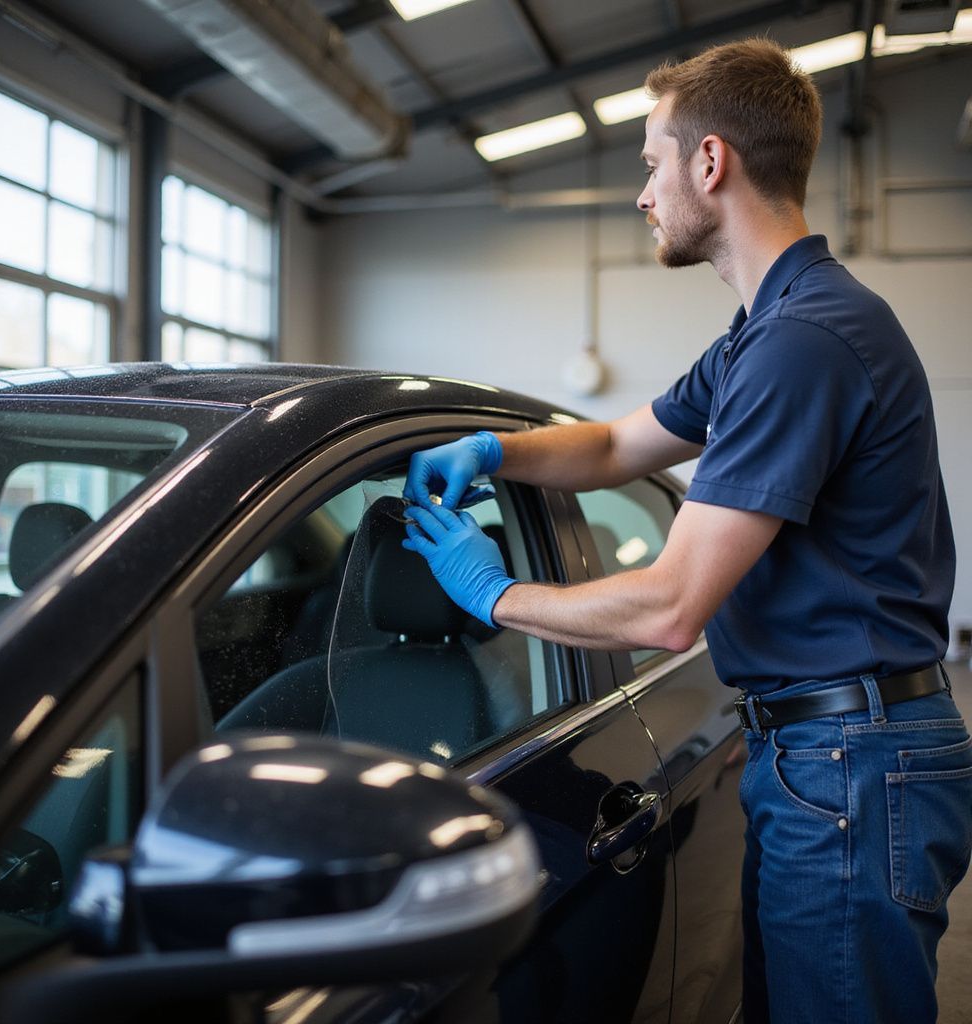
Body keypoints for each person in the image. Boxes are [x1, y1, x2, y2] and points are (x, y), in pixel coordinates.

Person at [400, 38, 971, 1024]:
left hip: (849, 756)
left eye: (651, 163)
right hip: (824, 753)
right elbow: (620, 444)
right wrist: (493, 451)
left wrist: (492, 592)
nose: (643, 193)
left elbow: (670, 608)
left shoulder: (803, 341)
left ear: (710, 162)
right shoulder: (767, 330)